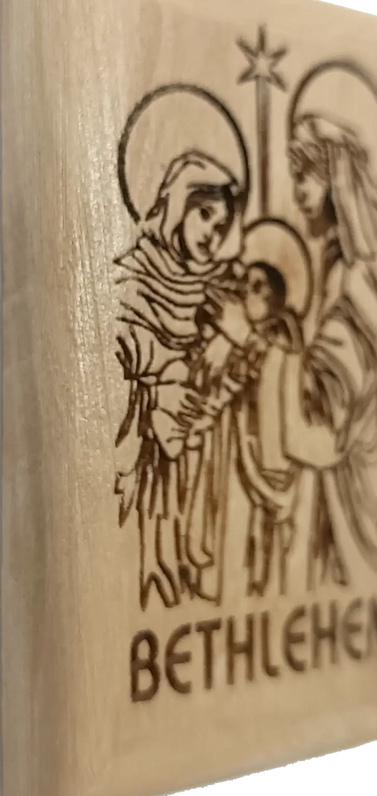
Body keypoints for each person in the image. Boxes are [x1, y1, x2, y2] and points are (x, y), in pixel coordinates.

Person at [114, 150, 245, 609]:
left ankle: (181, 571)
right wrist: (164, 375)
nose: (212, 233)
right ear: (176, 206)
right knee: (157, 498)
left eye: (221, 225)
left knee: (189, 501)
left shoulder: (219, 285)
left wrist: (227, 339)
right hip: (152, 425)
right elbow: (125, 339)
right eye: (204, 215)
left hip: (197, 430)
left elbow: (246, 340)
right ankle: (152, 567)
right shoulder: (137, 273)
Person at [280, 113, 377, 589]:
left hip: (356, 465)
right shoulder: (335, 262)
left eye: (307, 176)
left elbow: (353, 374)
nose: (298, 191)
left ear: (337, 181)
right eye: (295, 176)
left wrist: (291, 356)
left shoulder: (352, 277)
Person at [192, 258, 303, 597]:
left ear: (276, 299)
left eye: (257, 287)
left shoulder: (284, 339)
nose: (246, 293)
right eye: (245, 285)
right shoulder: (236, 339)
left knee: (262, 551)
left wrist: (242, 337)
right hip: (232, 458)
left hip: (264, 463)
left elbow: (277, 375)